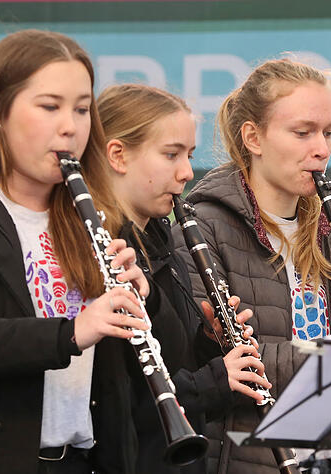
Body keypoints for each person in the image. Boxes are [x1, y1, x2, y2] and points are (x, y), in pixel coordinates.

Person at [0, 29, 154, 473]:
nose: (71, 126)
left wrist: (148, 297)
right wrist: (69, 333)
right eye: (49, 106)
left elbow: (149, 364)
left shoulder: (95, 208)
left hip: (86, 459)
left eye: (83, 109)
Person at [171, 58, 331, 474]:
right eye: (302, 132)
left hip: (329, 455)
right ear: (253, 137)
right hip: (247, 458)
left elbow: (324, 345)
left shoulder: (327, 227)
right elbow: (226, 364)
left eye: (328, 132)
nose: (322, 148)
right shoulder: (203, 226)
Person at [97, 83, 272, 473]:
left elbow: (172, 358)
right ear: (118, 155)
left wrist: (210, 343)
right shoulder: (102, 249)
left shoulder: (164, 239)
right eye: (171, 154)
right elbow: (126, 398)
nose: (187, 172)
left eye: (189, 155)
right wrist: (216, 381)